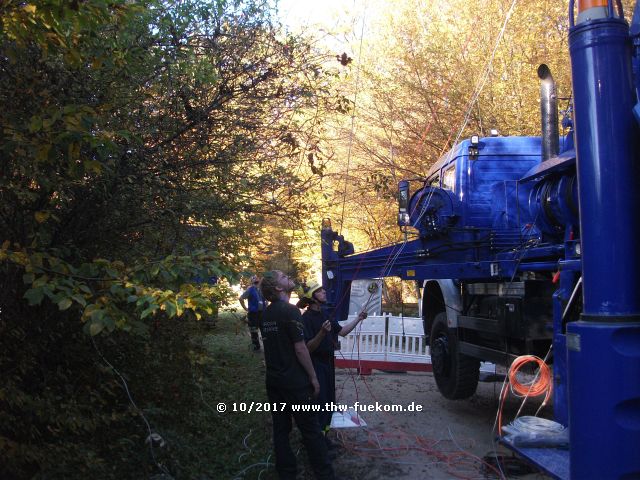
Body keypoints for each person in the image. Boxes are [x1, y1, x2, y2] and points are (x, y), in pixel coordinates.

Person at [259, 270, 335, 480]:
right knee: (310, 429)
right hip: (295, 383)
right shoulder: (290, 311)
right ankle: (325, 474)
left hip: (274, 382)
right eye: (283, 276)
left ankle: (286, 472)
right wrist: (313, 377)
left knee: (281, 429)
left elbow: (269, 348)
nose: (288, 276)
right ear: (278, 288)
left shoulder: (266, 314)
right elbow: (301, 349)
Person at [298, 282, 367, 447]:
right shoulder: (305, 319)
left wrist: (358, 318)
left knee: (329, 402)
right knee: (320, 403)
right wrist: (322, 333)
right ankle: (316, 443)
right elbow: (307, 348)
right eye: (320, 292)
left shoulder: (326, 314)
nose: (324, 292)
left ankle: (325, 437)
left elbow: (342, 332)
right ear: (312, 298)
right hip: (316, 366)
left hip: (328, 364)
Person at [239, 275, 265, 351]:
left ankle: (267, 345)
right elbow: (241, 298)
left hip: (262, 313)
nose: (256, 279)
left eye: (257, 278)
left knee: (264, 330)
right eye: (254, 278)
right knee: (254, 331)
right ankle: (256, 347)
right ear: (251, 282)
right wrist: (245, 308)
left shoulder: (262, 290)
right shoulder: (250, 290)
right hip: (253, 314)